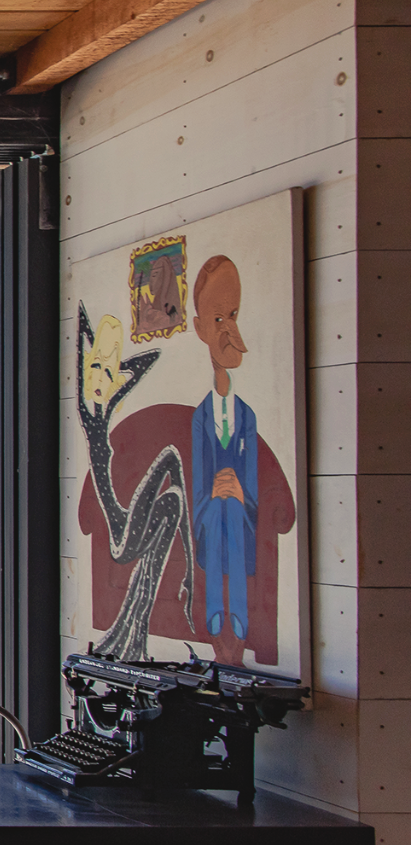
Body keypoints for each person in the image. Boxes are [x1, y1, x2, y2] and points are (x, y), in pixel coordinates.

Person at [190, 255, 257, 665]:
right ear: (200, 328)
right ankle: (217, 611)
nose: (228, 328)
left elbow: (252, 469)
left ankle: (239, 614)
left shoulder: (247, 412)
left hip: (242, 508)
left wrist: (242, 492)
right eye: (218, 319)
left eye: (232, 315)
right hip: (211, 507)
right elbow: (199, 472)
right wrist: (214, 493)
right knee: (216, 513)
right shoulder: (201, 415)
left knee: (231, 510)